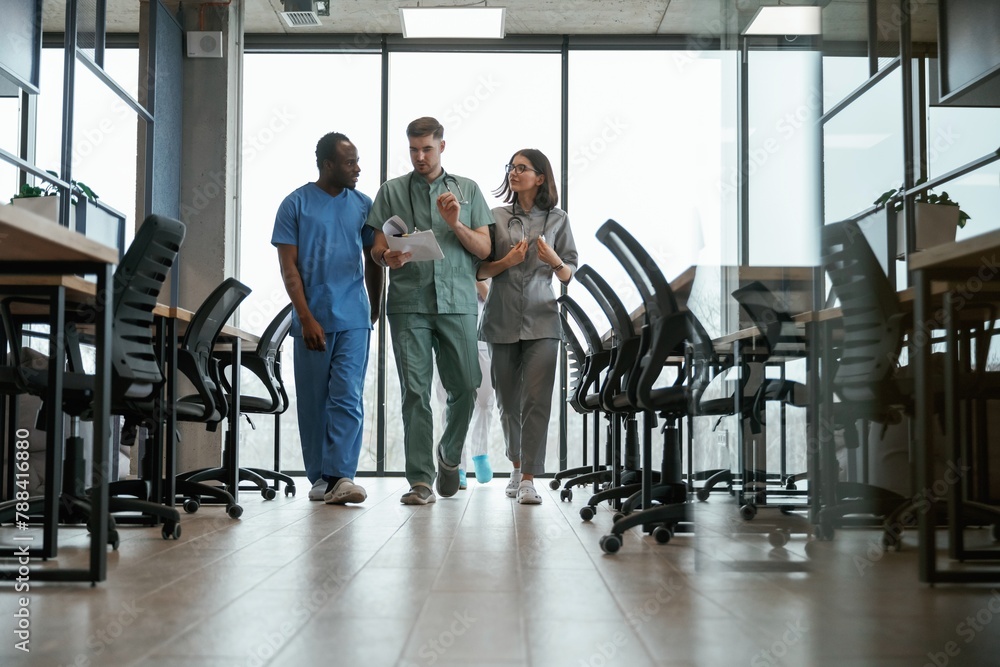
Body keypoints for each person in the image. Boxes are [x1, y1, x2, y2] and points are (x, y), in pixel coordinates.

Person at [366, 116, 493, 505]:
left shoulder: (467, 190)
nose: (420, 157)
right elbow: (375, 249)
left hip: (457, 302)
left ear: (442, 147)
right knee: (415, 393)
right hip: (409, 304)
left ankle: (449, 455)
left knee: (467, 387)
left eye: (427, 149)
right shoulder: (390, 191)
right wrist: (387, 256)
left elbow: (485, 250)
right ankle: (420, 480)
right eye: (413, 149)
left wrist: (455, 223)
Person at [271, 132, 383, 505]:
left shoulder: (364, 205)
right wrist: (305, 318)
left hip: (353, 316)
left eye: (357, 161)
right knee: (315, 400)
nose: (358, 169)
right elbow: (289, 269)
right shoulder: (295, 204)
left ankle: (342, 476)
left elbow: (375, 256)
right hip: (312, 319)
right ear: (328, 164)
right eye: (350, 162)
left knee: (347, 396)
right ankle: (320, 477)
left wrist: (376, 304)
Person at [477, 149, 578, 505]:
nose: (513, 173)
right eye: (511, 167)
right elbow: (480, 270)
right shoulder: (495, 216)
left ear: (540, 177)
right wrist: (508, 260)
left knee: (537, 401)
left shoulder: (558, 219)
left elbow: (568, 274)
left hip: (543, 319)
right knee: (507, 401)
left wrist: (554, 260)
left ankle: (530, 478)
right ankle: (517, 466)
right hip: (501, 317)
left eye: (522, 168)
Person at [433, 278, 495, 489]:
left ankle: (480, 453)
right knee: (450, 401)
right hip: (448, 328)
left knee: (485, 400)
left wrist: (476, 278)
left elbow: (492, 298)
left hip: (481, 333)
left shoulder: (483, 252)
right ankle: (456, 462)